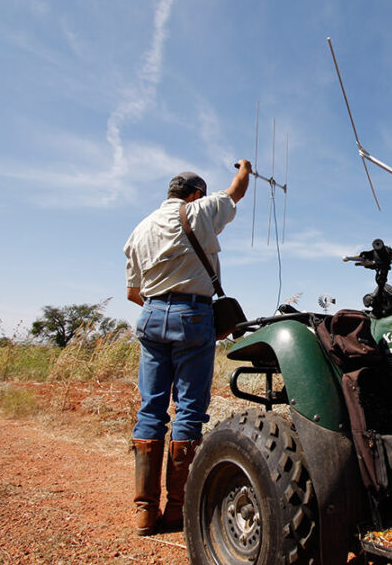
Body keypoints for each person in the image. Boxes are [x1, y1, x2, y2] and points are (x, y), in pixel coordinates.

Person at [124, 160, 252, 536]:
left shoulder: (139, 229)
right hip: (192, 317)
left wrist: (161, 309)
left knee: (151, 408)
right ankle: (177, 508)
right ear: (195, 194)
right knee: (189, 411)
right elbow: (237, 191)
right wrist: (244, 167)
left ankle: (144, 513)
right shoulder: (199, 211)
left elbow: (134, 293)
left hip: (150, 314)